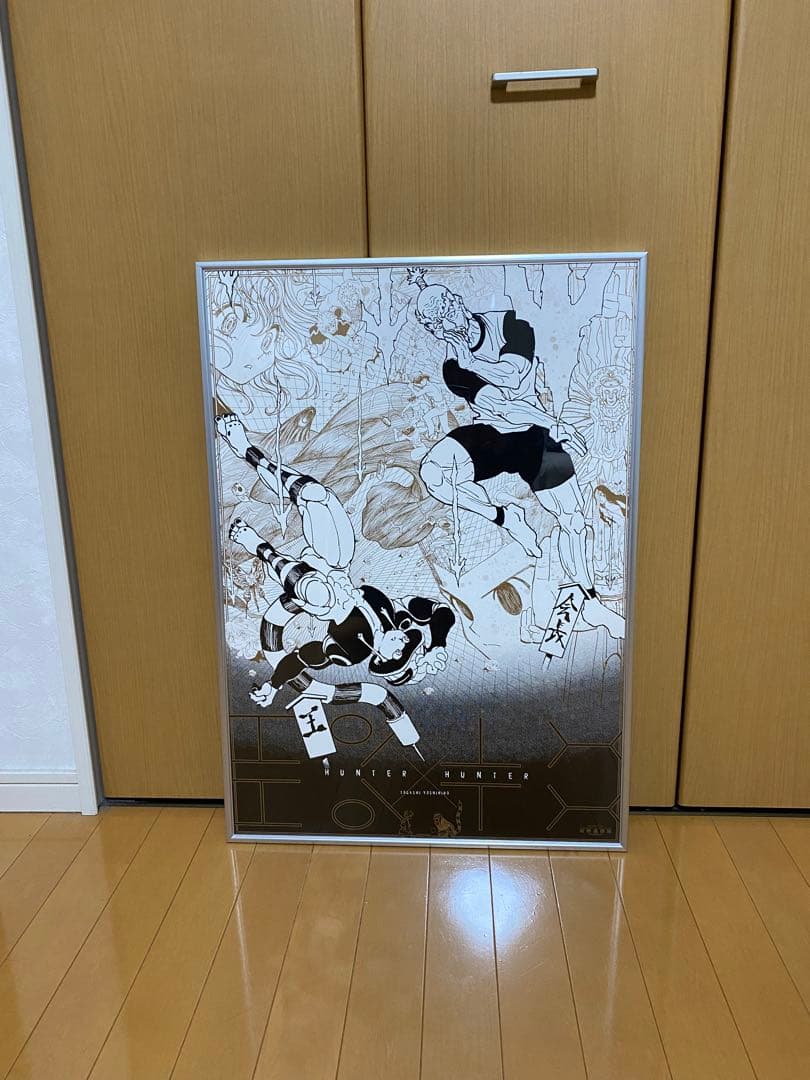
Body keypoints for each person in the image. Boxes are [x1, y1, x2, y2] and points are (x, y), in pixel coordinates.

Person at [414, 282, 623, 638]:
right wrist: (465, 364)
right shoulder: (453, 368)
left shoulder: (511, 324)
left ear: (457, 299)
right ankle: (507, 517)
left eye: (448, 309)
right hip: (494, 436)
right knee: (433, 472)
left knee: (573, 521)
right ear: (435, 331)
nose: (449, 323)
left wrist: (473, 361)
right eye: (438, 324)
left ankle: (588, 596)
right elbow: (501, 408)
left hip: (535, 434)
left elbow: (513, 376)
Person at [216, 415, 456, 718]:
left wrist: (274, 685)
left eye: (400, 651)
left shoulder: (350, 652)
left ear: (382, 659)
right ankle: (246, 450)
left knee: (322, 596)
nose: (403, 639)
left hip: (315, 589)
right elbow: (441, 612)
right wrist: (438, 644)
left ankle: (259, 547)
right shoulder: (392, 613)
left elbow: (301, 658)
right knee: (315, 495)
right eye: (408, 643)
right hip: (336, 563)